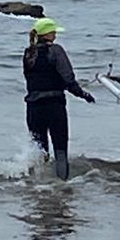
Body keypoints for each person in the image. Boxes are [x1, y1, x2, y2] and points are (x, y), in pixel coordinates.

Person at [23, 17, 95, 180]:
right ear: (47, 34)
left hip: (33, 108)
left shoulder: (28, 53)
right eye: (53, 31)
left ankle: (38, 186)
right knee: (60, 150)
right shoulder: (56, 51)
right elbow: (68, 79)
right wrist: (83, 94)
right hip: (54, 106)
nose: (55, 34)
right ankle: (61, 187)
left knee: (39, 150)